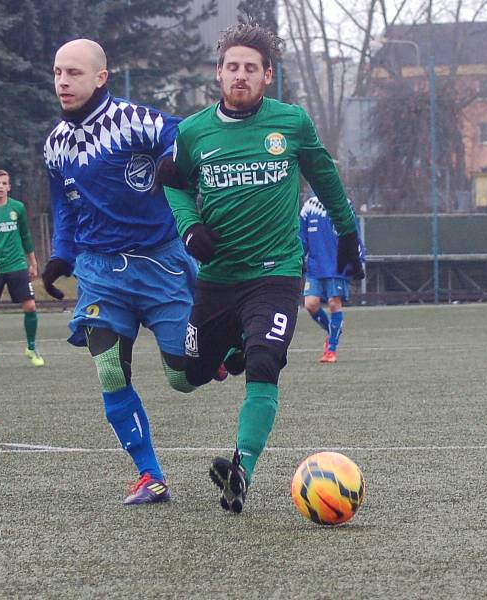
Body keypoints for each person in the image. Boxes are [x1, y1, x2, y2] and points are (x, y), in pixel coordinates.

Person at [160, 23, 364, 514]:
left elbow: (325, 176)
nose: (241, 76)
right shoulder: (192, 132)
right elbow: (174, 184)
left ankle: (241, 471)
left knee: (266, 363)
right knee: (185, 377)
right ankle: (229, 353)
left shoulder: (291, 123)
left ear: (267, 75)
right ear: (219, 74)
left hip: (276, 274)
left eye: (251, 68)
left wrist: (348, 232)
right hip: (218, 279)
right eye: (233, 67)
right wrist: (189, 228)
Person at [42, 38, 198, 505]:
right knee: (110, 368)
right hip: (98, 271)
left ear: (100, 77)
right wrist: (60, 257)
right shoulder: (56, 145)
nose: (63, 82)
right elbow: (65, 209)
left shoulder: (137, 122)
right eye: (57, 73)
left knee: (183, 377)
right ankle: (150, 475)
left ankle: (223, 344)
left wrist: (174, 163)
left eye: (73, 73)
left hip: (160, 264)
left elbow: (187, 137)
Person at [0, 169, 44, 370]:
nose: (1, 187)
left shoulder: (18, 208)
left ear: (9, 187)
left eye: (5, 183)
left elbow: (25, 236)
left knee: (30, 306)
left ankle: (31, 348)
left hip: (17, 265)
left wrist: (33, 262)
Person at [300, 195, 366, 363]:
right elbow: (301, 237)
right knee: (310, 304)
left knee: (334, 303)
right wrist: (298, 258)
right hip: (315, 267)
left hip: (338, 264)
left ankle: (331, 349)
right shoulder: (308, 207)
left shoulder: (343, 204)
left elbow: (353, 234)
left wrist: (359, 259)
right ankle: (332, 331)